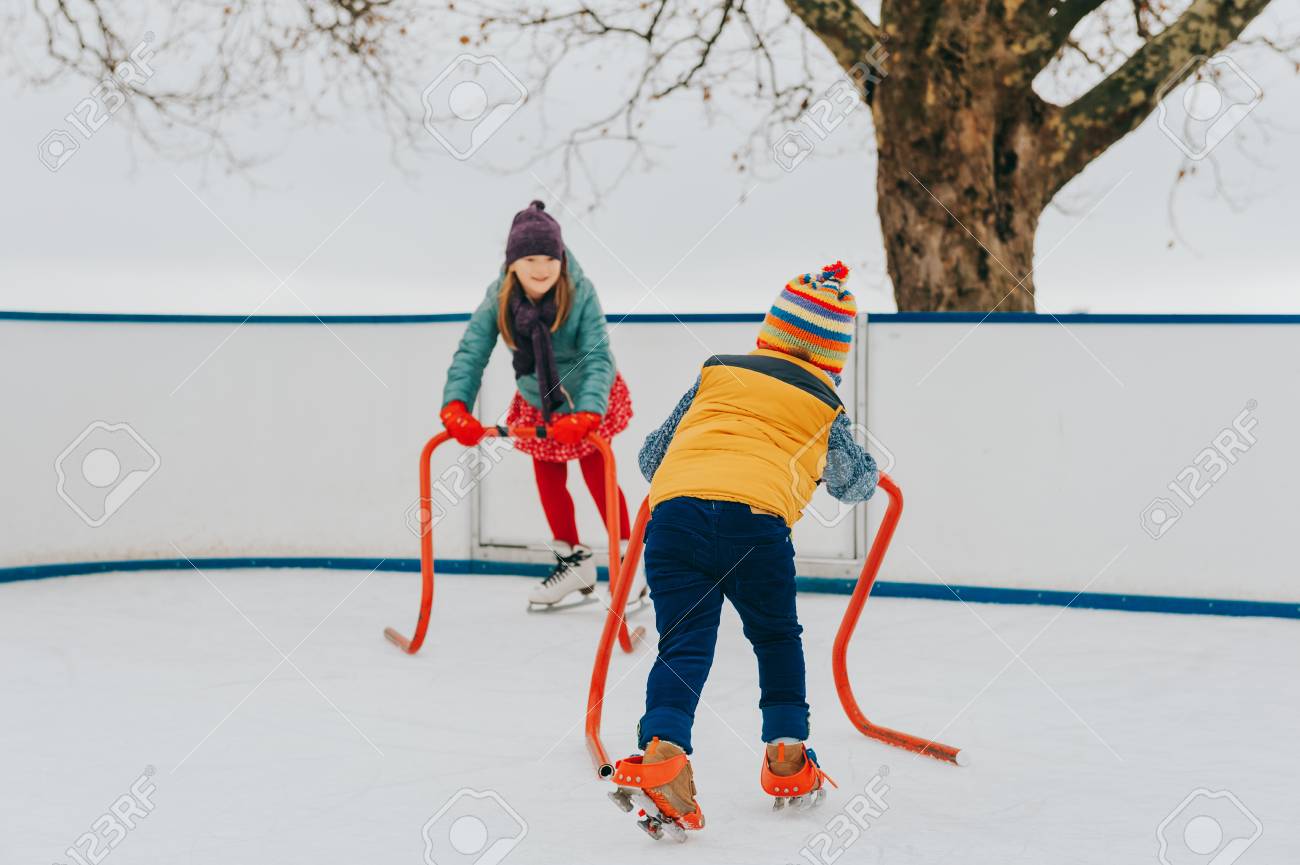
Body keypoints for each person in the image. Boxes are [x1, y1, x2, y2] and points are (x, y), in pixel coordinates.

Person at [608, 261, 878, 835]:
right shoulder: (823, 403)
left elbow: (652, 457)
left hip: (674, 516)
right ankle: (787, 756)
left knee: (683, 642)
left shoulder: (718, 373)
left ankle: (662, 754)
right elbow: (853, 483)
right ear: (833, 357)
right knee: (776, 637)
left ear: (769, 334)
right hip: (755, 527)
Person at [439, 200, 635, 608]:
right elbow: (472, 351)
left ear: (561, 258)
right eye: (530, 258)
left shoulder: (579, 292)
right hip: (539, 397)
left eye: (550, 257)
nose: (541, 268)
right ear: (513, 263)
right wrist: (456, 404)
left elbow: (597, 354)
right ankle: (574, 563)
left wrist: (588, 411)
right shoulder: (500, 296)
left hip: (586, 395)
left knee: (598, 471)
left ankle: (629, 562)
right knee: (548, 476)